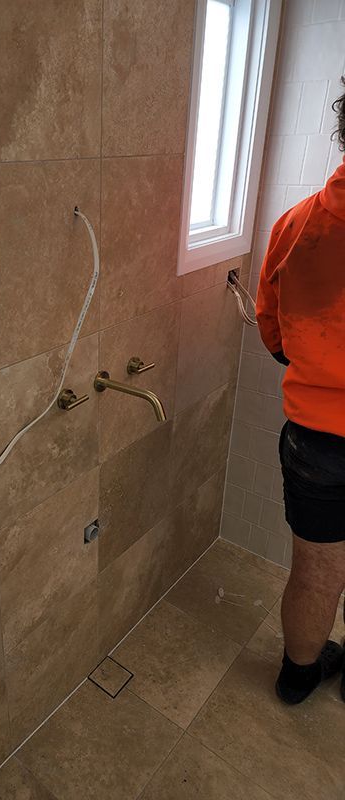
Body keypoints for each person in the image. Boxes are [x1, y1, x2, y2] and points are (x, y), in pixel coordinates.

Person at [256, 77, 345, 705]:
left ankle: (298, 675)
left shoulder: (296, 225)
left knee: (315, 567)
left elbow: (274, 333)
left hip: (316, 439)